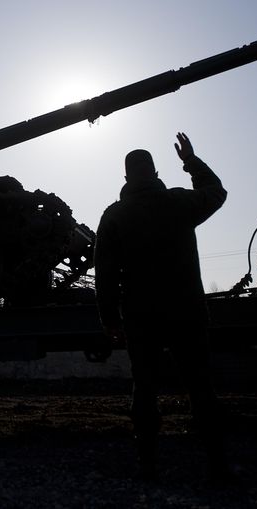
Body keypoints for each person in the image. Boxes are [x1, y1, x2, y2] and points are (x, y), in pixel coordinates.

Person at [94, 132, 229, 481]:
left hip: (141, 317)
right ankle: (218, 464)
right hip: (188, 312)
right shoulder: (179, 202)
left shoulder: (114, 216)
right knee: (200, 387)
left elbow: (104, 275)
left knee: (145, 387)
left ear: (126, 178)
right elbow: (216, 193)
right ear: (154, 173)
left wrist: (109, 319)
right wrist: (191, 161)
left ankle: (149, 464)